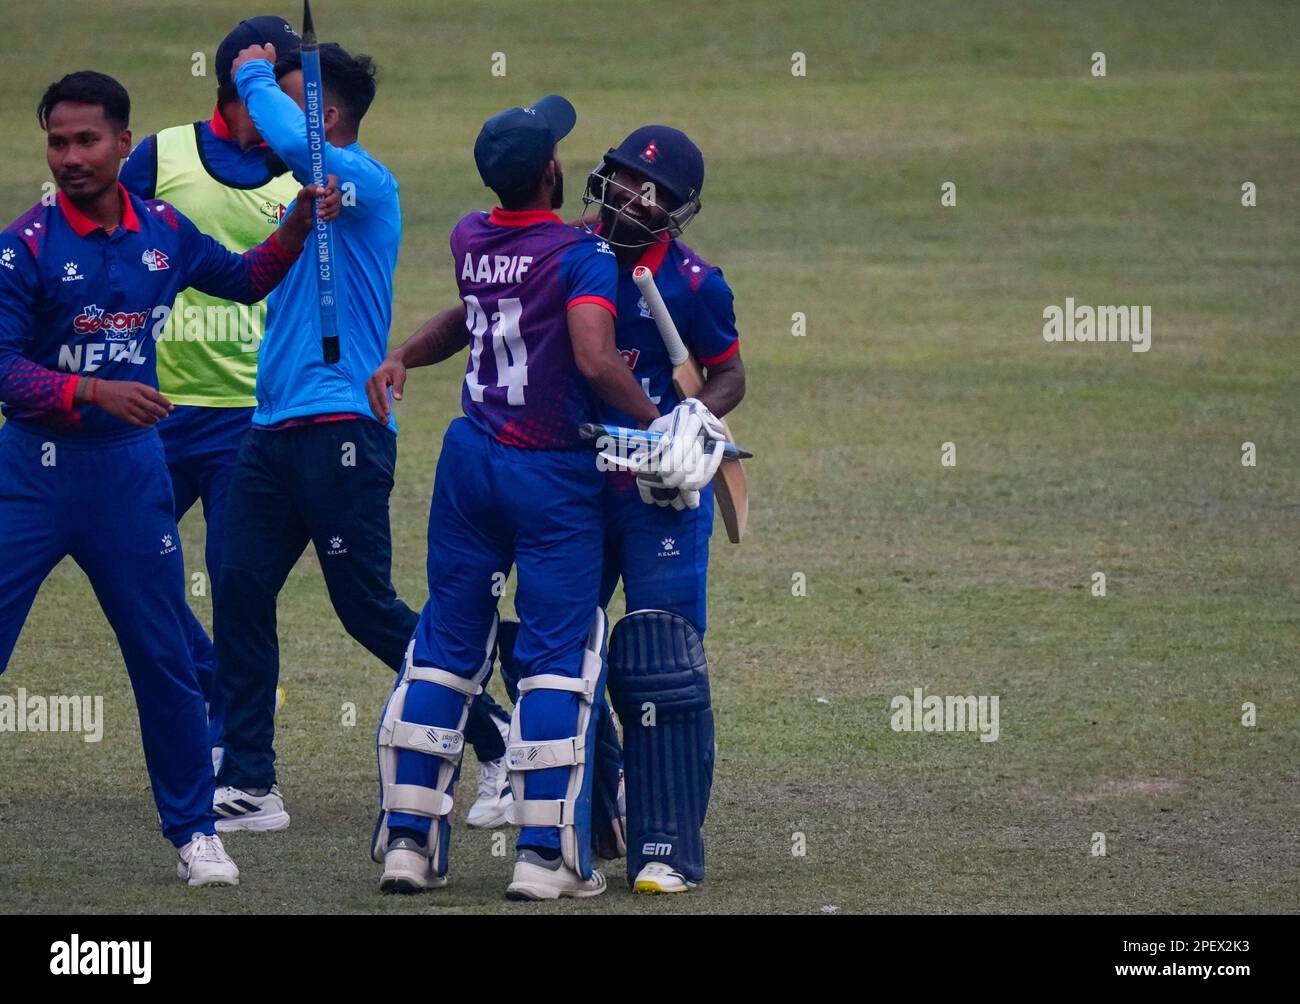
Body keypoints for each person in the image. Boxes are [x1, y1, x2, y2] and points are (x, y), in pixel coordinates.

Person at [0, 70, 326, 885]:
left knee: (163, 659)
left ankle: (194, 832)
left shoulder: (164, 230)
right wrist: (90, 390)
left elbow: (246, 279)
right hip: (31, 478)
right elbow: (3, 368)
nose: (70, 156)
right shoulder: (25, 246)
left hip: (126, 480)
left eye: (85, 140)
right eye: (57, 141)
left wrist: (296, 225)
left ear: (122, 142)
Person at [210, 39, 512, 834]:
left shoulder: (369, 183)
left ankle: (501, 740)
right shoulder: (310, 195)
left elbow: (281, 131)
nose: (254, 115)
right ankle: (250, 783)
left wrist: (248, 69)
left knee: (366, 608)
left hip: (344, 427)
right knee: (237, 585)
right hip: (270, 431)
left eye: (277, 102)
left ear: (325, 118)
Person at [366, 95, 660, 899]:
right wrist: (662, 420)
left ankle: (407, 846)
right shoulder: (581, 255)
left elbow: (476, 317)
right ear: (552, 171)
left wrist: (404, 354)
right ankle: (542, 858)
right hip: (551, 473)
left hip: (470, 464)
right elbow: (597, 361)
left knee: (448, 644)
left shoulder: (471, 234)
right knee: (556, 660)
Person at [119, 15, 305, 771]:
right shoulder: (159, 155)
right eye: (282, 96)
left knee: (237, 588)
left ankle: (235, 742)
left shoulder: (305, 174)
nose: (294, 115)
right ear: (239, 89)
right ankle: (211, 681)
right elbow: (111, 250)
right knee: (130, 564)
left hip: (250, 422)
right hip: (151, 412)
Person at [579, 125, 744, 893]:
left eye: (649, 190)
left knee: (662, 666)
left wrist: (694, 421)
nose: (629, 195)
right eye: (620, 178)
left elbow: (730, 374)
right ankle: (595, 812)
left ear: (677, 210)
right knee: (562, 655)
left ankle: (666, 844)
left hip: (662, 495)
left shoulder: (695, 282)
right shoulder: (566, 255)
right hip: (572, 488)